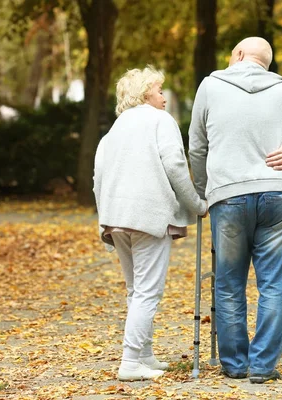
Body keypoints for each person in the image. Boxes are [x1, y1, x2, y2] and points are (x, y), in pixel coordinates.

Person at [188, 37, 282, 383]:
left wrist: (203, 193)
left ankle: (235, 364)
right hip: (278, 194)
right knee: (273, 283)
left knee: (228, 284)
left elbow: (197, 147)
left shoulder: (210, 86)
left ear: (239, 55)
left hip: (227, 195)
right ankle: (262, 366)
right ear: (265, 63)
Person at [93, 66, 208, 382]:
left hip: (115, 218)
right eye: (159, 91)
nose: (164, 98)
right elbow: (175, 165)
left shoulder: (114, 130)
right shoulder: (160, 121)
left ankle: (143, 355)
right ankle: (130, 362)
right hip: (148, 216)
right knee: (147, 292)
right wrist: (197, 205)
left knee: (135, 290)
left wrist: (106, 213)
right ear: (145, 93)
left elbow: (97, 177)